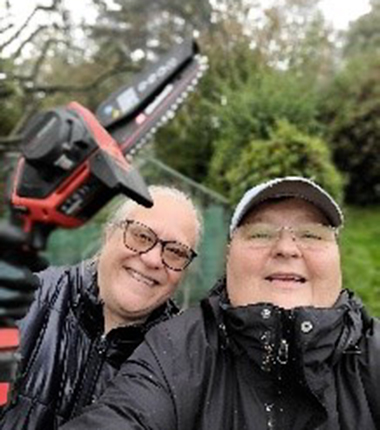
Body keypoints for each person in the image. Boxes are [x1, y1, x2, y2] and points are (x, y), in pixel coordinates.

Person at [60, 176, 380, 430]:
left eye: (311, 235)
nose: (286, 248)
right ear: (228, 256)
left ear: (338, 255)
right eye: (260, 234)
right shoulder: (175, 351)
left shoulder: (372, 355)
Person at [0, 185, 202, 429]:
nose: (152, 260)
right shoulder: (26, 297)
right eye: (141, 236)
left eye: (175, 252)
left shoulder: (185, 362)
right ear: (109, 234)